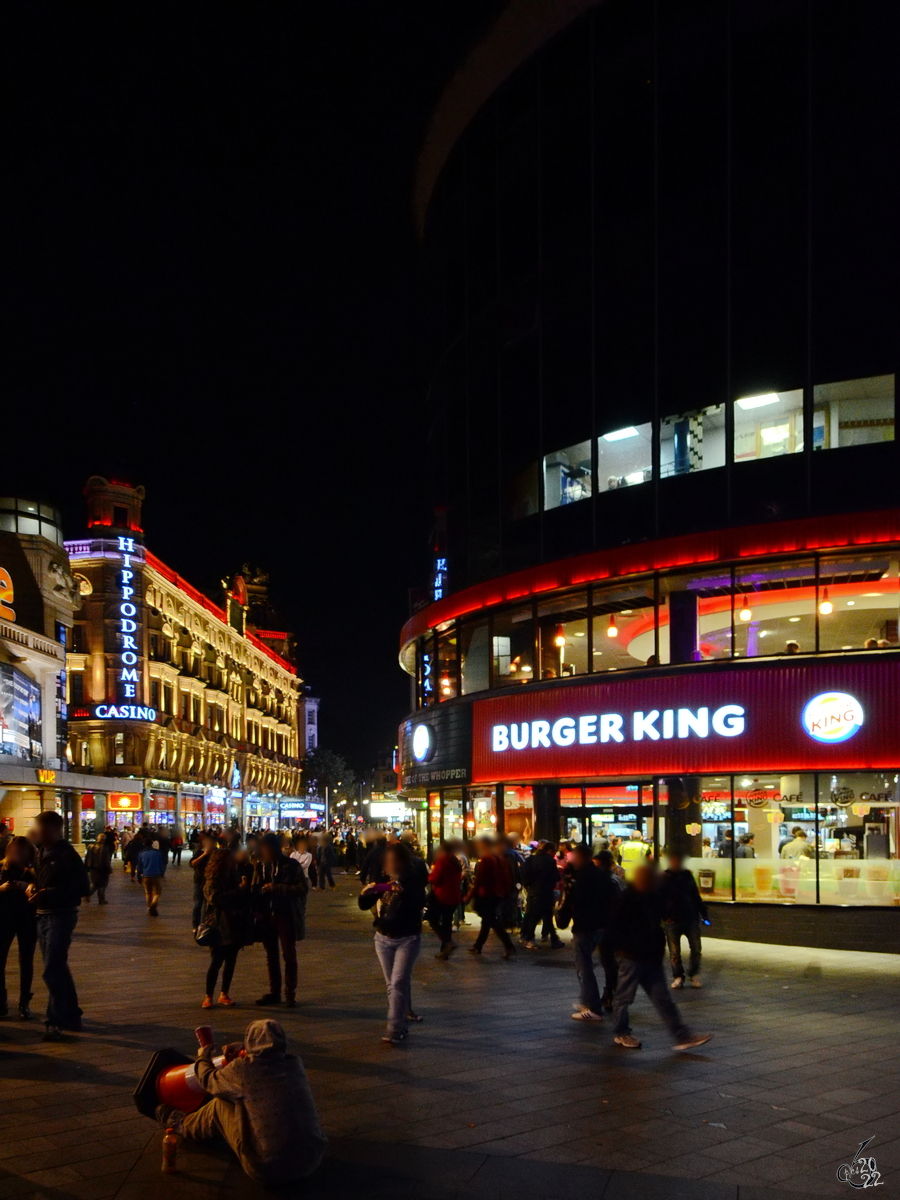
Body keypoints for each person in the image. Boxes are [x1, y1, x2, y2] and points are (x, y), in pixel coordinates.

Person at [156, 1019, 327, 1186]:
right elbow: (267, 1054)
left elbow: (208, 1080)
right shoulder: (294, 1064)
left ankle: (182, 1124)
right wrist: (244, 1048)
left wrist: (202, 1057)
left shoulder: (243, 1069)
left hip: (266, 1169)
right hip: (311, 1162)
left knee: (220, 1104)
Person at [607, 863, 711, 1051]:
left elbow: (672, 905)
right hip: (631, 956)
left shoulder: (652, 896)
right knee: (624, 997)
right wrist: (621, 949)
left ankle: (682, 1036)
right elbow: (613, 928)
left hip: (649, 955)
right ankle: (621, 1032)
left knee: (662, 998)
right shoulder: (626, 899)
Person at [358, 841, 425, 1044]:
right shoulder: (383, 880)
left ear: (404, 862)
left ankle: (394, 1028)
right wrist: (367, 893)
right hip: (383, 937)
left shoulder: (413, 879)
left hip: (408, 937)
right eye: (388, 861)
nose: (391, 865)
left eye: (395, 861)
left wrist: (402, 892)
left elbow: (421, 903)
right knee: (393, 984)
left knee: (397, 982)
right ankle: (402, 1021)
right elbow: (364, 905)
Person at [31, 810, 89, 1041]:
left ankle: (55, 1020)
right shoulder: (41, 852)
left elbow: (83, 887)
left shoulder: (66, 854)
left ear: (55, 829)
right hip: (42, 914)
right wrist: (32, 888)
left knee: (51, 968)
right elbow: (39, 879)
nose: (36, 832)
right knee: (57, 966)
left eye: (41, 828)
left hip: (61, 914)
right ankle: (72, 1014)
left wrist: (49, 892)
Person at [557, 843, 620, 1021]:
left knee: (584, 966)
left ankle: (593, 1007)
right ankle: (588, 1000)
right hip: (602, 925)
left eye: (574, 856)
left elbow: (576, 902)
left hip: (586, 925)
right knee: (590, 965)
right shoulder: (601, 874)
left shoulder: (582, 878)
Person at [253, 833, 308, 1008]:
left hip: (286, 915)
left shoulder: (290, 865)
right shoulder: (261, 866)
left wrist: (278, 888)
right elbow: (254, 888)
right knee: (271, 955)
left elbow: (302, 888)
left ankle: (290, 993)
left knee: (289, 955)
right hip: (267, 916)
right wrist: (257, 905)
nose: (265, 851)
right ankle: (274, 991)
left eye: (267, 848)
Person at [201, 848, 253, 1008]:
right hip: (218, 923)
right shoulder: (212, 879)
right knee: (216, 960)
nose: (234, 861)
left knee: (231, 960)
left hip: (234, 921)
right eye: (231, 859)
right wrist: (239, 889)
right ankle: (208, 995)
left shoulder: (234, 875)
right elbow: (216, 899)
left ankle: (224, 993)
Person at [0, 835, 38, 1019]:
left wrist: (28, 886)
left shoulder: (33, 870)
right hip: (3, 917)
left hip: (27, 918)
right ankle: (1, 1001)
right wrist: (1, 888)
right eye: (13, 851)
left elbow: (42, 888)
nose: (16, 855)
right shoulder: (2, 867)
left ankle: (24, 1002)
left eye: (20, 852)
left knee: (26, 961)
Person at [660, 852, 708, 989]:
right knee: (675, 951)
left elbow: (695, 895)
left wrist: (704, 913)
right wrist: (664, 916)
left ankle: (693, 973)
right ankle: (678, 976)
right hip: (673, 919)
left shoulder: (687, 876)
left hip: (689, 917)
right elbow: (659, 898)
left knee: (696, 949)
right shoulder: (665, 877)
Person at [465, 837, 516, 958]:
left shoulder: (486, 859)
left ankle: (508, 945)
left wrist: (469, 895)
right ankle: (478, 945)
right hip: (496, 893)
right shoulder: (498, 859)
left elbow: (479, 880)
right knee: (487, 920)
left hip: (487, 894)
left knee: (491, 921)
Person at [519, 841, 562, 950]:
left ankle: (553, 938)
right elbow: (556, 877)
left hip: (533, 891)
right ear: (550, 851)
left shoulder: (531, 859)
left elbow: (525, 876)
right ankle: (529, 938)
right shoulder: (550, 861)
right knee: (538, 916)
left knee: (539, 915)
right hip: (545, 892)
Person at [426, 840, 463, 959]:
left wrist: (429, 875)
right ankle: (445, 950)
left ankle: (448, 942)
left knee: (433, 919)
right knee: (447, 922)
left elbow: (435, 878)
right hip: (454, 895)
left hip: (442, 895)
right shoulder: (455, 861)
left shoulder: (442, 860)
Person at [138, 839, 167, 916]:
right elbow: (162, 864)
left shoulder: (141, 854)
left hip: (146, 875)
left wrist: (139, 876)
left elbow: (140, 867)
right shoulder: (158, 853)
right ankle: (153, 905)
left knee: (148, 893)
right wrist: (162, 873)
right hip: (156, 875)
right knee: (157, 893)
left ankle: (149, 908)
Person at [84, 832, 112, 904]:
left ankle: (88, 895)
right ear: (103, 840)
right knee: (103, 884)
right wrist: (109, 868)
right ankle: (101, 899)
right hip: (102, 868)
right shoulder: (104, 848)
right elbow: (106, 860)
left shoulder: (90, 846)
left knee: (95, 883)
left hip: (93, 868)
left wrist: (86, 867)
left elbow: (87, 858)